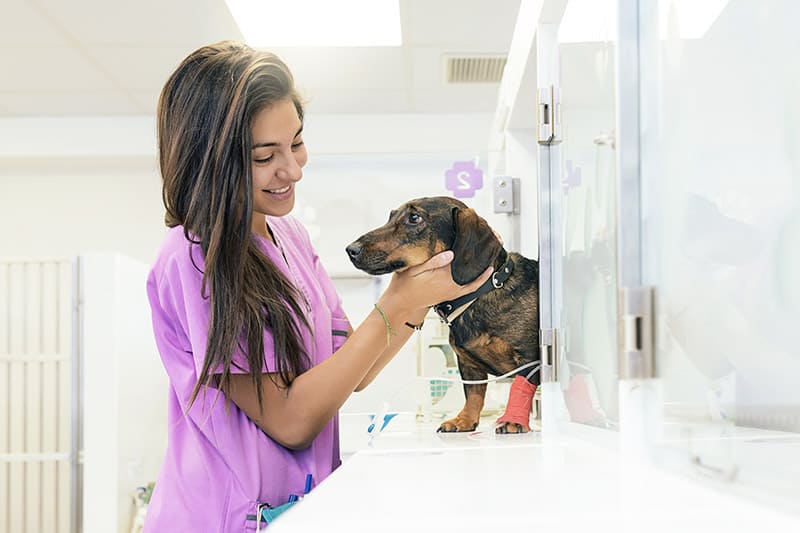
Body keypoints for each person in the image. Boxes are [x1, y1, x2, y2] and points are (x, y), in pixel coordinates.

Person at [144, 41, 492, 532]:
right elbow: (290, 420)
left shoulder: (288, 234)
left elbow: (353, 369)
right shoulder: (193, 257)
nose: (293, 169)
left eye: (297, 142)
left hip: (299, 509)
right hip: (224, 519)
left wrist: (419, 296)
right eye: (266, 156)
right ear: (211, 162)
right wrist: (398, 303)